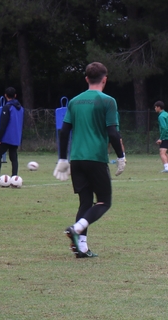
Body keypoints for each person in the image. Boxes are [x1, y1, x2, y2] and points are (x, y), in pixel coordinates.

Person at [53, 62, 126, 259]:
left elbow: (64, 131)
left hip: (76, 159)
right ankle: (76, 229)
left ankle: (82, 248)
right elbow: (112, 132)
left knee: (85, 202)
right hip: (95, 158)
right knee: (104, 202)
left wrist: (62, 158)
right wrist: (121, 156)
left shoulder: (74, 101)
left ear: (86, 79)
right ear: (105, 80)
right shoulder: (108, 101)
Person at [155, 101, 168, 173]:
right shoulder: (166, 114)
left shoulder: (161, 116)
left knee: (162, 152)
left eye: (155, 107)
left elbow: (164, 127)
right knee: (165, 152)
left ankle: (166, 168)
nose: (155, 109)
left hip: (167, 136)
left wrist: (161, 138)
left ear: (158, 107)